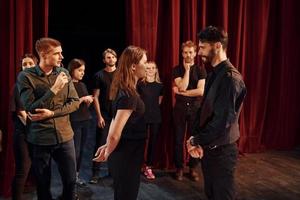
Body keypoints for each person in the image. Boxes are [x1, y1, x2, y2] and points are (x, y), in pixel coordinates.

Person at [186, 26, 247, 200]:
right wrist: (195, 139)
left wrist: (195, 140)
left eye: (202, 47)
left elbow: (222, 123)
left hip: (222, 153)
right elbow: (205, 111)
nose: (199, 52)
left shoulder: (230, 78)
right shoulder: (214, 73)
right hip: (209, 149)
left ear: (218, 46)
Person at [17, 37, 80, 200]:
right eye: (57, 53)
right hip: (40, 139)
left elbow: (74, 103)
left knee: (71, 181)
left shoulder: (64, 73)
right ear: (44, 55)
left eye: (61, 53)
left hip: (65, 136)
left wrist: (52, 114)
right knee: (43, 185)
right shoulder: (26, 76)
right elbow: (30, 107)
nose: (62, 57)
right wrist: (53, 89)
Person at [93, 45, 147, 200]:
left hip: (127, 152)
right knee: (126, 194)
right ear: (133, 67)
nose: (148, 65)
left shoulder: (127, 89)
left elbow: (115, 123)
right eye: (145, 61)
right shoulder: (128, 94)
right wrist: (108, 149)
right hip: (127, 154)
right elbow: (115, 133)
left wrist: (107, 146)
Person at [172, 40, 207, 181]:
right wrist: (186, 71)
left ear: (195, 53)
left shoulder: (201, 70)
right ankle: (179, 168)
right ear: (182, 53)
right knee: (178, 140)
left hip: (195, 109)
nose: (188, 55)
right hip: (180, 109)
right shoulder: (177, 69)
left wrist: (183, 93)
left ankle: (192, 168)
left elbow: (200, 91)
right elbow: (181, 86)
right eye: (185, 52)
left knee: (194, 139)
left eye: (190, 52)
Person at [10, 53, 37, 200]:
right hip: (24, 134)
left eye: (30, 64)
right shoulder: (18, 86)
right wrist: (35, 128)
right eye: (24, 64)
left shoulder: (38, 85)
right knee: (23, 170)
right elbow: (21, 112)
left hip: (37, 133)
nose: (27, 66)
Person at [90, 48, 117, 184]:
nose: (110, 59)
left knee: (116, 143)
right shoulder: (99, 75)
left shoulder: (121, 74)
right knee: (100, 143)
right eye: (108, 57)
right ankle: (95, 173)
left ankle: (113, 172)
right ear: (104, 60)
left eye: (112, 57)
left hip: (118, 115)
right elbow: (95, 97)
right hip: (105, 115)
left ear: (116, 59)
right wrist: (99, 116)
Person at [67, 58, 94, 187]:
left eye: (83, 70)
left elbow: (84, 105)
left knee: (82, 150)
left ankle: (76, 176)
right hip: (75, 121)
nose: (82, 73)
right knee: (75, 150)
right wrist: (83, 99)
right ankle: (71, 177)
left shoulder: (82, 85)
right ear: (72, 70)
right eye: (79, 70)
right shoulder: (67, 85)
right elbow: (69, 105)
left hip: (85, 119)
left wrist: (88, 101)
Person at [137, 61, 163, 180]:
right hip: (142, 116)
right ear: (144, 69)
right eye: (148, 68)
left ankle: (148, 166)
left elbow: (159, 101)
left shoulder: (160, 85)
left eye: (153, 68)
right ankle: (139, 164)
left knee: (152, 141)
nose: (151, 70)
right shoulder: (140, 84)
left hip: (155, 117)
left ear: (156, 70)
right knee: (141, 140)